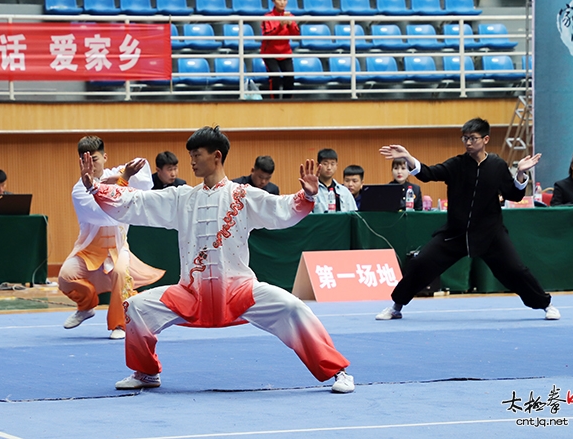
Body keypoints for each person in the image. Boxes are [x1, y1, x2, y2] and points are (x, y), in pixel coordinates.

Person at [80, 126, 354, 393]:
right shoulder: (182, 197)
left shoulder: (242, 196)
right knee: (137, 307)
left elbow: (282, 208)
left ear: (217, 156)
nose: (192, 162)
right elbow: (138, 202)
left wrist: (306, 195)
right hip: (189, 292)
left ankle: (337, 371)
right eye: (190, 156)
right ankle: (147, 373)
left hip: (239, 290)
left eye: (197, 155)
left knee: (294, 308)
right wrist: (96, 190)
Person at [375, 118, 560, 321]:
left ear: (486, 139)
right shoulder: (457, 164)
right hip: (455, 233)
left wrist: (521, 173)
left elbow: (514, 195)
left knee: (516, 270)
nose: (468, 142)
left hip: (490, 234)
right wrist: (409, 157)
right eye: (465, 138)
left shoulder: (497, 165)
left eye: (473, 138)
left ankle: (546, 304)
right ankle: (396, 307)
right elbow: (428, 173)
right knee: (421, 264)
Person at [59, 136, 165, 340]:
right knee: (65, 277)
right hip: (89, 249)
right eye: (84, 160)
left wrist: (120, 175)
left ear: (105, 157)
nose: (89, 165)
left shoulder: (114, 174)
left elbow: (143, 172)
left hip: (118, 248)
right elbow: (107, 213)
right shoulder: (79, 190)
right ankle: (86, 306)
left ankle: (120, 324)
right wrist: (122, 179)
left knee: (119, 272)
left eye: (94, 159)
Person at [261, 0, 299, 99]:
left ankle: (287, 102)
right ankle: (275, 101)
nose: (282, 2)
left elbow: (296, 34)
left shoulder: (290, 16)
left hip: (285, 52)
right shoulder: (267, 18)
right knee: (275, 77)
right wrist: (280, 26)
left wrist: (290, 25)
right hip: (270, 53)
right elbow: (267, 36)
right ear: (273, 1)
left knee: (290, 77)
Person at [314, 149, 357, 213]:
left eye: (332, 164)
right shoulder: (310, 192)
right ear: (318, 165)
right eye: (325, 164)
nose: (329, 167)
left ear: (336, 166)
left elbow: (354, 215)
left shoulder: (344, 192)